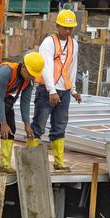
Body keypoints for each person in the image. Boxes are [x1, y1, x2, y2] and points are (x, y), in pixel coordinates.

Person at [29, 9, 82, 171]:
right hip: (47, 90)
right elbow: (46, 67)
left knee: (60, 126)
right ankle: (31, 160)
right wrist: (51, 90)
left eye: (71, 28)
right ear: (58, 26)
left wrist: (73, 90)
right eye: (65, 28)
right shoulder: (49, 43)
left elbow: (71, 68)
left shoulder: (74, 44)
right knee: (39, 124)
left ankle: (59, 161)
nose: (68, 31)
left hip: (64, 92)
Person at [0, 53, 44, 173]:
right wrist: (2, 122)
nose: (31, 77)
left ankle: (4, 163)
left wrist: (27, 124)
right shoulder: (6, 71)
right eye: (30, 74)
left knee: (10, 127)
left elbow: (25, 102)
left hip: (1, 96)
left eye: (33, 75)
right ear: (23, 67)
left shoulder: (29, 80)